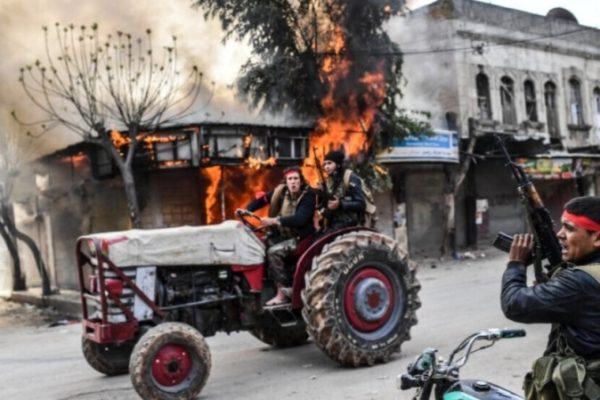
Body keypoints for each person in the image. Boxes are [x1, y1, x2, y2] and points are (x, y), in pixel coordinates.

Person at [501, 196, 600, 399]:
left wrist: (516, 264)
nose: (560, 234)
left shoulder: (579, 281)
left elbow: (515, 304)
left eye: (570, 228)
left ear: (597, 238)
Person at [242, 166, 316, 306]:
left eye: (296, 179)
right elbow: (263, 200)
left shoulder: (308, 196)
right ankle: (261, 288)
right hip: (284, 236)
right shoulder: (281, 192)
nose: (293, 182)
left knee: (273, 252)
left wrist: (275, 220)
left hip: (301, 239)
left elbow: (300, 219)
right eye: (290, 179)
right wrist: (246, 210)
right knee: (260, 245)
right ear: (286, 181)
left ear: (301, 181)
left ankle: (284, 292)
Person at [318, 150, 366, 230]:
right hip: (332, 224)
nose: (326, 167)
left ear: (338, 164)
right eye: (325, 164)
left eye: (329, 163)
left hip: (349, 224)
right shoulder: (328, 181)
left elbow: (361, 204)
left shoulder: (350, 177)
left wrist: (340, 204)